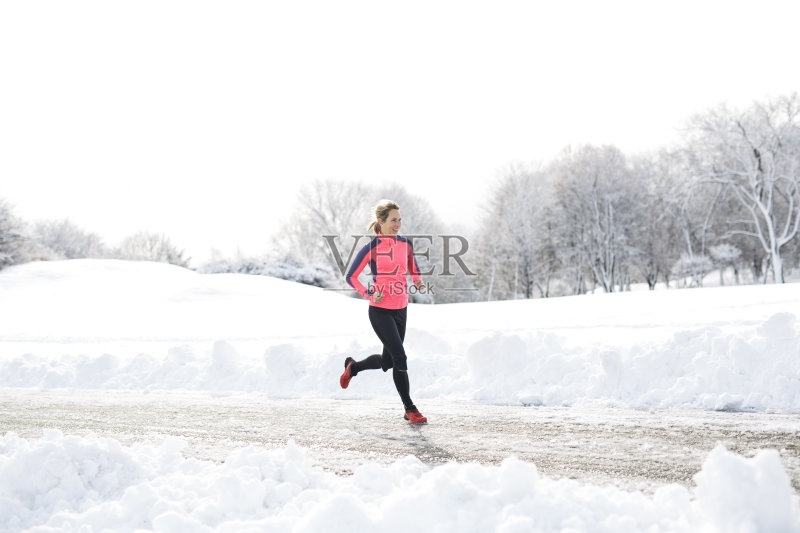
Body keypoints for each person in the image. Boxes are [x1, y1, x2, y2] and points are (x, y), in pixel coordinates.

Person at [339, 200, 428, 424]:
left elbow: (412, 267)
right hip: (380, 311)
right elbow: (351, 277)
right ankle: (410, 409)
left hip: (401, 309)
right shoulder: (371, 248)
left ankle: (354, 367)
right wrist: (370, 293)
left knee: (389, 362)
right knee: (400, 357)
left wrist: (417, 280)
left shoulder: (405, 244)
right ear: (381, 222)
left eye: (400, 220)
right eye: (393, 220)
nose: (398, 224)